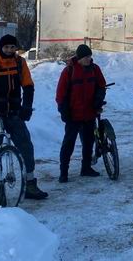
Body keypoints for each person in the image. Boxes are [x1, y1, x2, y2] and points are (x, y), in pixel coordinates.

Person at [0, 34, 48, 200]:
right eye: (6, 47)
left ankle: (30, 183)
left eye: (12, 47)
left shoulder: (20, 63)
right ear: (0, 48)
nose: (9, 50)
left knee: (26, 146)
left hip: (14, 113)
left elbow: (28, 86)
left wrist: (26, 107)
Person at [55, 44, 107, 183]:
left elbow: (101, 86)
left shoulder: (95, 69)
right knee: (69, 143)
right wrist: (63, 110)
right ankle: (63, 172)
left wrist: (98, 100)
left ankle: (86, 168)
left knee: (88, 142)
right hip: (73, 115)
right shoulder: (69, 71)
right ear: (79, 58)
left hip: (89, 113)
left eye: (90, 56)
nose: (88, 59)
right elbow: (61, 94)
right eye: (86, 57)